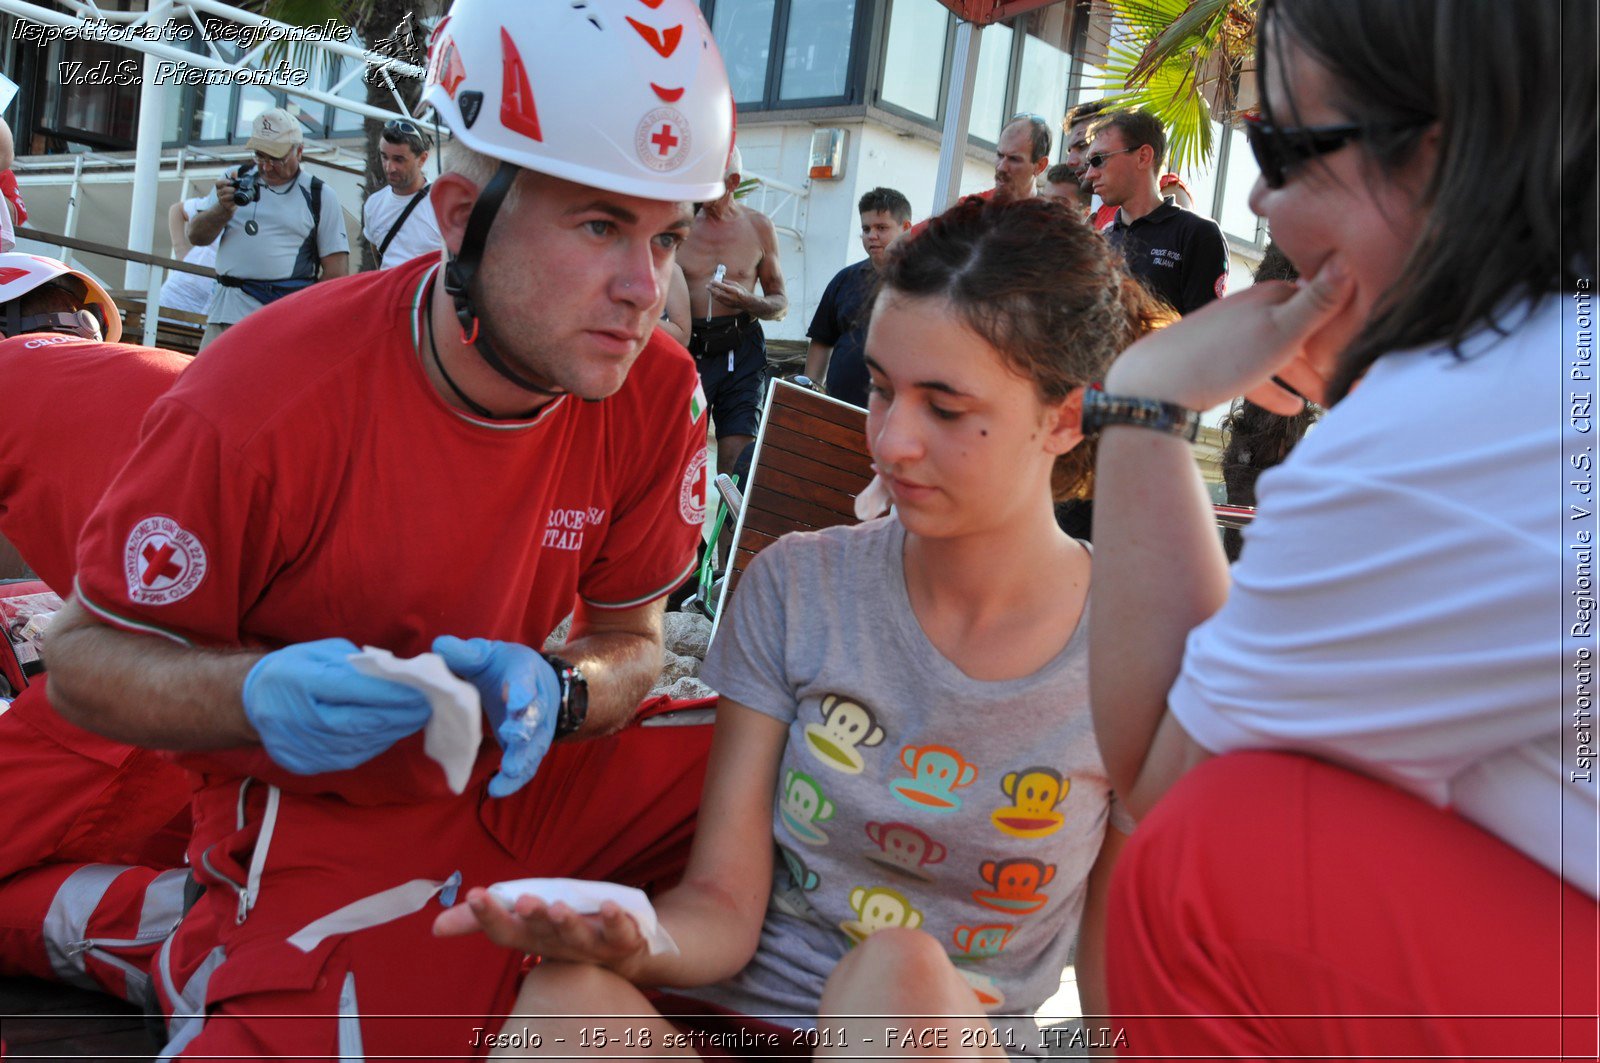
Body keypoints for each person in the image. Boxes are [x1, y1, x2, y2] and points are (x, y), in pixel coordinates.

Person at [42, 0, 734, 1055]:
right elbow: (87, 661)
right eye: (599, 225)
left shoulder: (660, 389)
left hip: (534, 780)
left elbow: (634, 642)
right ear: (460, 215)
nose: (647, 292)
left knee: (819, 778)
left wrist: (565, 690)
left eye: (667, 237)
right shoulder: (264, 393)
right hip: (321, 810)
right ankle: (182, 932)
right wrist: (256, 693)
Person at [436, 195, 1171, 1058]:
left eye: (944, 405)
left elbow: (1122, 976)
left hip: (932, 1041)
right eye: (884, 390)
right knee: (566, 996)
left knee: (898, 974)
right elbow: (722, 904)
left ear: (1065, 417)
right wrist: (630, 935)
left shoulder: (1135, 652)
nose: (891, 440)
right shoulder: (800, 584)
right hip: (739, 1024)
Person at [1083, 0, 1596, 1059]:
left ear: (1440, 164)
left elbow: (1159, 770)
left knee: (1208, 853)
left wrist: (1144, 405)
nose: (1261, 194)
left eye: (1282, 144)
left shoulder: (1448, 422)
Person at [0, 253, 195, 1005]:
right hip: (274, 662)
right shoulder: (160, 370)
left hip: (154, 655)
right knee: (152, 838)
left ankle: (203, 939)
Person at [186, 107, 349, 349]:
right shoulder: (235, 178)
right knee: (207, 386)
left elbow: (336, 272)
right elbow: (195, 236)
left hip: (282, 319)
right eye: (260, 156)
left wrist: (308, 320)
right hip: (226, 314)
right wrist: (222, 210)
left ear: (300, 152)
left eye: (276, 158)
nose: (267, 167)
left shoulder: (320, 195)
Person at [679, 146, 789, 474]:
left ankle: (728, 526)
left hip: (742, 349)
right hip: (690, 348)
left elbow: (780, 302)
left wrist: (749, 301)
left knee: (736, 461)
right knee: (682, 455)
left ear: (733, 182)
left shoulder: (759, 227)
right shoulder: (678, 222)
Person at [1085, 110, 1227, 315]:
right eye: (1088, 163)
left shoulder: (1197, 234)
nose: (1090, 174)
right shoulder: (1101, 240)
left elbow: (1205, 333)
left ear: (1143, 156)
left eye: (1098, 159)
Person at [804, 186, 912, 408]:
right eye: (866, 228)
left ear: (906, 228)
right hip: (838, 409)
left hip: (896, 414)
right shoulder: (844, 279)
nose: (872, 235)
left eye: (881, 227)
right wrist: (810, 394)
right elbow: (822, 341)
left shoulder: (926, 283)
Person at [361, 117, 442, 269]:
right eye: (384, 156)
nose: (389, 168)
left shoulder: (443, 204)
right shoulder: (373, 204)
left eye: (399, 160)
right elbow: (378, 256)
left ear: (422, 159)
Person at [158, 194, 218, 315]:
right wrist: (180, 251)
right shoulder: (225, 200)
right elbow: (177, 210)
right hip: (180, 294)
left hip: (215, 308)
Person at [992, 113, 1052, 202]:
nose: (1001, 167)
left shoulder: (1051, 215)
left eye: (1014, 159)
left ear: (1040, 166)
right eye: (1000, 155)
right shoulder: (975, 209)